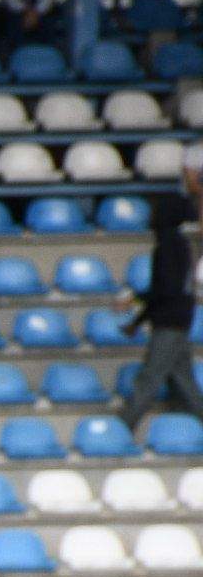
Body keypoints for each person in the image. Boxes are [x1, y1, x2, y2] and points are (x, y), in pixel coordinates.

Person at [121, 183, 203, 433]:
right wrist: (137, 315)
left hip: (169, 322)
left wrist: (136, 310)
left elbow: (163, 291)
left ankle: (121, 430)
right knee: (185, 385)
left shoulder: (168, 247)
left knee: (149, 378)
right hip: (180, 319)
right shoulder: (181, 245)